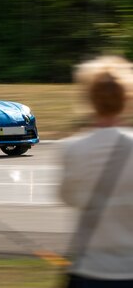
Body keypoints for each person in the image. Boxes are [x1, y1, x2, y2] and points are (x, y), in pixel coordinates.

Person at [60, 55, 133, 287]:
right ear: (125, 99)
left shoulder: (72, 148)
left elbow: (68, 197)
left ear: (89, 99)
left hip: (89, 270)